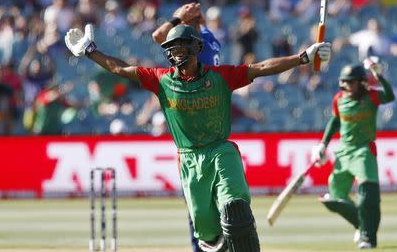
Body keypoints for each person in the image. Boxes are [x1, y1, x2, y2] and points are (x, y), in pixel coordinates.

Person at [64, 23, 331, 252]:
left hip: (221, 151)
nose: (175, 52)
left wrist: (303, 57)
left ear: (195, 48)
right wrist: (90, 52)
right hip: (189, 159)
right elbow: (121, 69)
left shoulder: (221, 77)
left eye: (181, 46)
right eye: (172, 48)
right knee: (207, 233)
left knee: (234, 208)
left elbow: (261, 67)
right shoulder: (162, 80)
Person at [152, 2, 221, 252]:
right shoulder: (210, 39)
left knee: (197, 199)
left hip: (192, 109)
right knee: (216, 196)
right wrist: (194, 20)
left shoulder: (191, 48)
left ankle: (202, 246)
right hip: (212, 111)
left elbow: (158, 36)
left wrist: (176, 17)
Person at [311, 60, 395, 249]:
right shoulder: (339, 99)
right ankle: (362, 224)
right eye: (345, 82)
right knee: (333, 199)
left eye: (352, 82)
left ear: (361, 82)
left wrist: (379, 76)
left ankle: (368, 237)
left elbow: (390, 96)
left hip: (364, 151)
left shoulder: (372, 97)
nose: (348, 86)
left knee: (367, 197)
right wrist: (323, 144)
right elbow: (335, 121)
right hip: (343, 152)